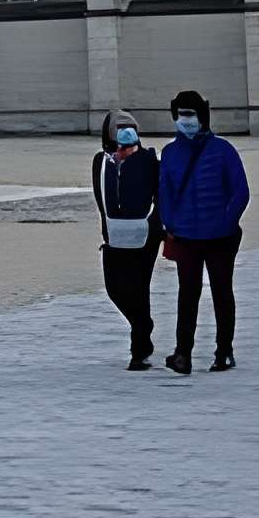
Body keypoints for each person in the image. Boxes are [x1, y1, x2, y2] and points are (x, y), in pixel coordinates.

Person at [157, 89, 251, 374]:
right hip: (186, 237)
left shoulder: (223, 149)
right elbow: (165, 194)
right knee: (188, 295)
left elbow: (240, 192)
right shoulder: (171, 153)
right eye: (181, 115)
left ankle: (223, 351)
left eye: (190, 114)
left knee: (221, 293)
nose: (185, 120)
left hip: (220, 237)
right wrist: (171, 224)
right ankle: (183, 353)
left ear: (203, 117)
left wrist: (226, 220)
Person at [92, 108, 161, 372]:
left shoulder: (148, 159)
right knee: (115, 288)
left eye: (130, 126)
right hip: (114, 238)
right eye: (120, 127)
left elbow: (160, 195)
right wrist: (106, 232)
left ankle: (139, 351)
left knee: (139, 290)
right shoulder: (101, 161)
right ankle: (143, 324)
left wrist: (157, 224)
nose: (126, 131)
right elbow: (102, 200)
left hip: (145, 237)